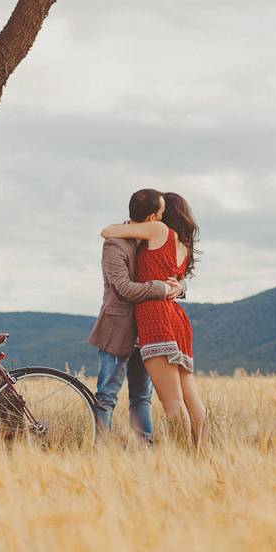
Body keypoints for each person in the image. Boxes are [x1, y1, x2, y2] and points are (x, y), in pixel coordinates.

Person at [101, 192, 205, 448]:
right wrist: (180, 287)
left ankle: (182, 456)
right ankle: (202, 453)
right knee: (192, 398)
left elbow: (107, 231)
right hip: (177, 319)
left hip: (155, 318)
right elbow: (176, 280)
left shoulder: (158, 230)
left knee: (172, 402)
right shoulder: (184, 244)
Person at [88, 188, 185, 442]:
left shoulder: (152, 239)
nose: (163, 220)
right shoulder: (115, 244)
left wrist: (178, 287)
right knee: (107, 395)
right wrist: (162, 289)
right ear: (152, 217)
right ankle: (102, 451)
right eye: (161, 215)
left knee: (142, 396)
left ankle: (144, 450)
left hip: (147, 331)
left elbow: (175, 274)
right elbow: (124, 288)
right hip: (117, 329)